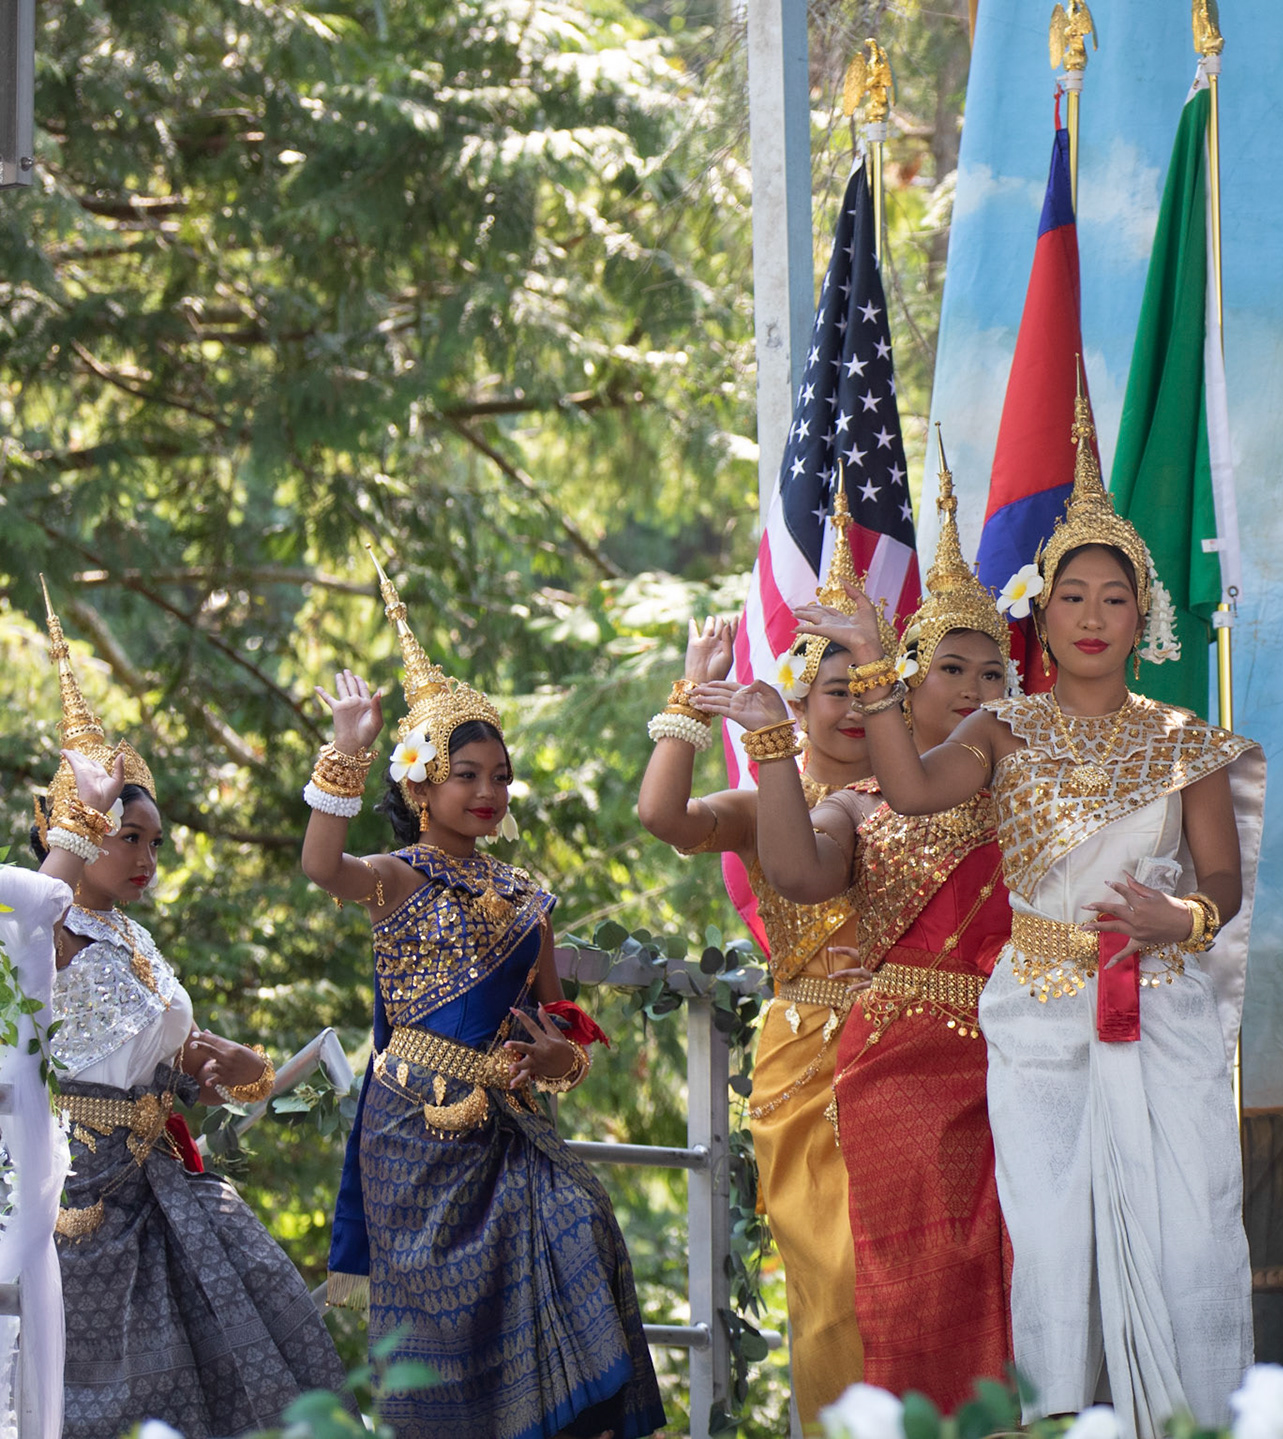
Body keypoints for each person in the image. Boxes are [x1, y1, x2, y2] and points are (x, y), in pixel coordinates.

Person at [784, 396, 1267, 1437]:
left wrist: (1179, 916)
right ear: (1041, 619)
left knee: (1188, 1241)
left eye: (1115, 597)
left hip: (1160, 1008)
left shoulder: (1188, 743)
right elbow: (909, 790)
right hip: (1038, 1014)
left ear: (1144, 615)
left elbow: (1224, 883)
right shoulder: (1001, 730)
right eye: (1072, 596)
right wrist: (875, 664)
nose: (1093, 615)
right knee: (1049, 1247)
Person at [306, 554, 663, 1439]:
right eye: (467, 774)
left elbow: (562, 1034)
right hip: (412, 1131)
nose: (489, 792)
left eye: (500, 776)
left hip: (509, 1126)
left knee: (579, 1219)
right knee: (440, 1344)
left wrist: (559, 1058)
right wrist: (345, 751)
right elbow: (320, 863)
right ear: (420, 783)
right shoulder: (394, 877)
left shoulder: (527, 898)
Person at [698, 442, 1015, 1410]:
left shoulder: (1036, 787)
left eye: (992, 671)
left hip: (1027, 1057)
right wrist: (766, 743)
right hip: (901, 1076)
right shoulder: (862, 805)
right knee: (877, 1298)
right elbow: (798, 872)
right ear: (905, 684)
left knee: (1025, 1291)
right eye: (951, 668)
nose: (973, 689)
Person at [27, 582, 348, 1439]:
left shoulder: (133, 935)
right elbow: (20, 939)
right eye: (126, 836)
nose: (145, 856)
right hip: (85, 1193)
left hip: (164, 1178)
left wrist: (228, 1070)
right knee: (120, 1391)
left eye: (154, 842)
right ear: (77, 832)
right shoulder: (47, 926)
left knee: (273, 1330)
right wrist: (79, 819)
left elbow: (165, 1066)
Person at [635, 483, 872, 1431]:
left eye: (869, 688)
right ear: (797, 703)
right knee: (830, 1286)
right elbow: (663, 816)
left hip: (911, 1036)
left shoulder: (924, 791)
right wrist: (690, 699)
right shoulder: (769, 800)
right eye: (834, 691)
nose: (852, 709)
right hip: (804, 1056)